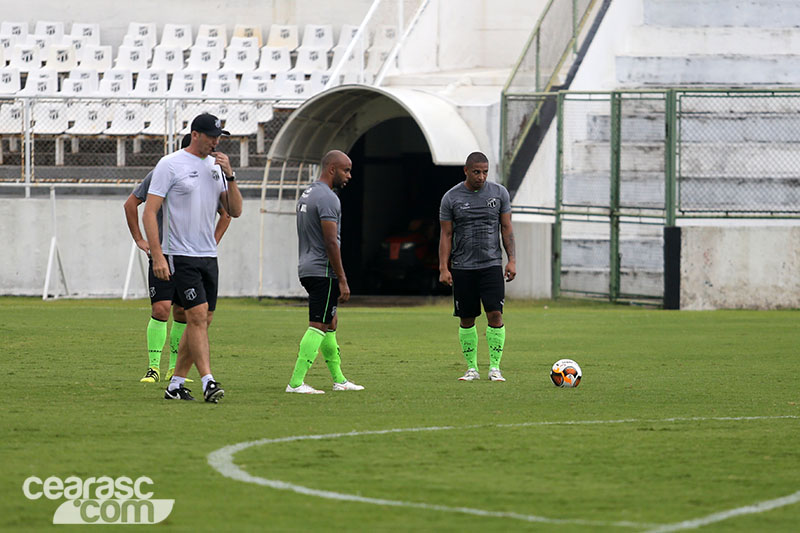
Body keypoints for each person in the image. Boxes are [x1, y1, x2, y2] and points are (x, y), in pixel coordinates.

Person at [143, 114, 243, 402]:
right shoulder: (170, 164)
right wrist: (158, 255)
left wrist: (231, 175)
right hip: (179, 254)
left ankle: (175, 384)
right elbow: (149, 211)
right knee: (196, 316)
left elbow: (233, 211)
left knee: (203, 320)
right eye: (211, 136)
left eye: (218, 137)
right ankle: (208, 380)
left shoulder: (216, 166)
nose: (216, 141)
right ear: (195, 134)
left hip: (207, 255)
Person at [124, 134, 231, 383]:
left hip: (194, 256)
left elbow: (227, 213)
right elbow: (132, 204)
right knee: (161, 309)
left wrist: (211, 242)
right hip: (164, 253)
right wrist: (142, 241)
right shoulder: (165, 169)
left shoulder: (211, 173)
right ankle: (153, 367)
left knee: (185, 314)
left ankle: (175, 370)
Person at [286, 149, 364, 394]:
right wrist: (342, 278)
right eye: (346, 170)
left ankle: (339, 379)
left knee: (331, 322)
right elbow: (331, 241)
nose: (349, 175)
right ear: (332, 169)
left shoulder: (307, 193)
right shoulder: (329, 198)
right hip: (322, 270)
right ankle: (296, 383)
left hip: (307, 266)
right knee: (318, 324)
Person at [438, 151, 516, 382]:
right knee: (467, 317)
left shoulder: (499, 193)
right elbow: (446, 234)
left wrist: (511, 260)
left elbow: (507, 228)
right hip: (463, 266)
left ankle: (495, 368)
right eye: (476, 172)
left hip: (491, 265)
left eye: (484, 172)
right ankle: (471, 368)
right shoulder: (451, 198)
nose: (481, 177)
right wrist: (444, 267)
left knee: (495, 314)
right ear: (466, 171)